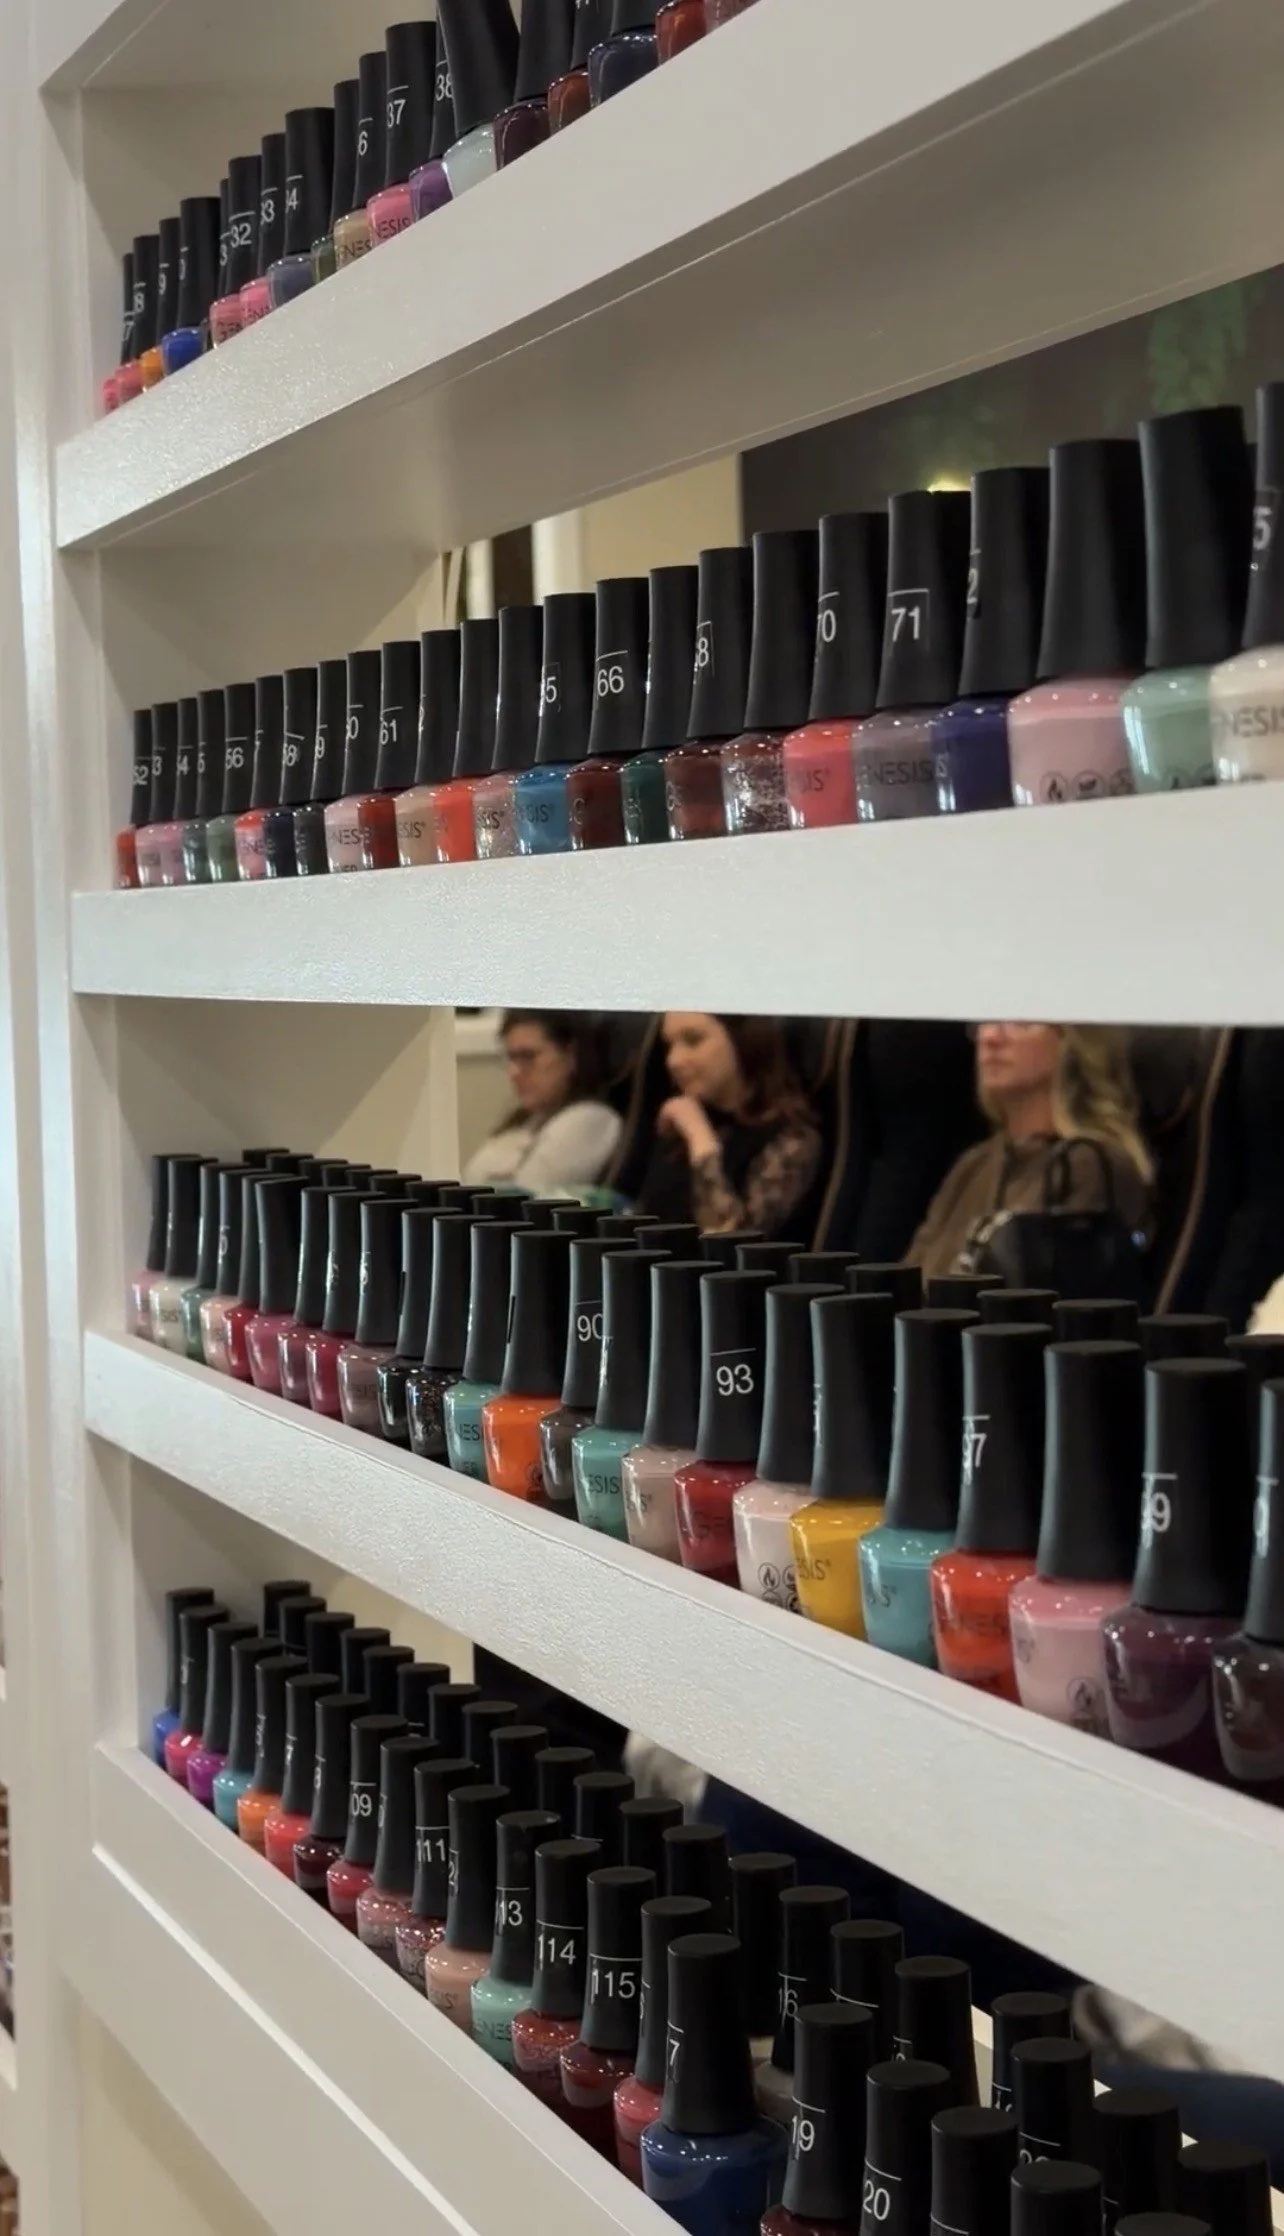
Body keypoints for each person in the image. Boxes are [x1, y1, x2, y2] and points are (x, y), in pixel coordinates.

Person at [908, 1022, 1153, 1280]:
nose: (990, 1036)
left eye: (1020, 1022)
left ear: (1071, 1040)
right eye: (986, 1020)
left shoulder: (1088, 1165)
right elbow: (909, 1280)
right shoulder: (974, 1164)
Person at [635, 1013, 821, 1236]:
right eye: (669, 1045)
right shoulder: (684, 1116)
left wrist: (700, 1138)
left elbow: (729, 1247)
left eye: (693, 1040)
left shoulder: (793, 1138)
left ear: (744, 1040)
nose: (673, 1060)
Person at [463, 1012, 621, 1191]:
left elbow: (526, 1197)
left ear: (571, 1056)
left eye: (527, 1057)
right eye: (511, 1058)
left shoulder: (590, 1120)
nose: (513, 1072)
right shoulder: (524, 1122)